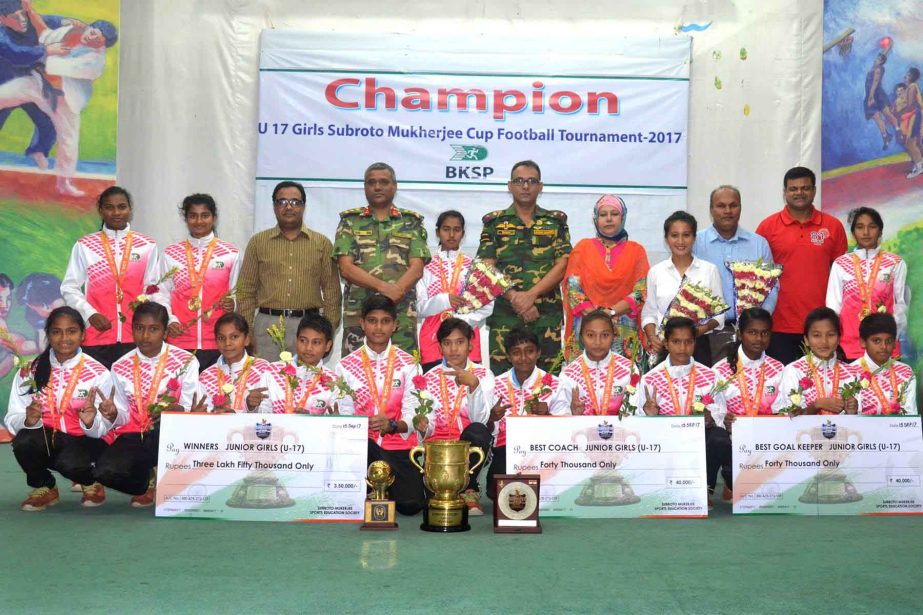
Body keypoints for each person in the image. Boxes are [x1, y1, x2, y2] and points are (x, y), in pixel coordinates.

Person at [5, 306, 116, 511]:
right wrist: (27, 420)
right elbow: (13, 416)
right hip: (48, 437)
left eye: (71, 331)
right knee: (24, 442)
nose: (64, 338)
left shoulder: (98, 372)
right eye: (57, 332)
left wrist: (92, 421)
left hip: (85, 441)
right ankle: (45, 486)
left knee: (71, 463)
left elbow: (109, 426)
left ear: (82, 335)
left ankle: (91, 481)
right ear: (48, 335)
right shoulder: (32, 370)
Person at [93, 302, 201, 508]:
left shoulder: (186, 361)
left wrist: (178, 410)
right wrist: (113, 413)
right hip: (135, 433)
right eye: (139, 328)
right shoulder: (120, 365)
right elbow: (123, 414)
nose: (145, 336)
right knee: (103, 472)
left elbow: (190, 404)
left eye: (153, 329)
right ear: (131, 329)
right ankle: (146, 482)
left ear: (165, 332)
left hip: (170, 432)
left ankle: (168, 471)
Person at [478, 160, 571, 375]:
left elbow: (563, 264)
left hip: (545, 316)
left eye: (532, 181)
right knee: (503, 385)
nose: (526, 186)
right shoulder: (494, 223)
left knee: (548, 384)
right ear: (510, 186)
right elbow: (486, 266)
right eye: (519, 181)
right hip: (505, 315)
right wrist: (516, 299)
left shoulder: (555, 222)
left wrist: (531, 295)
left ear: (541, 186)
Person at [334, 295, 423, 515]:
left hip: (398, 446)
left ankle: (383, 490)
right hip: (363, 447)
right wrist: (361, 427)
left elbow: (414, 413)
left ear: (394, 325)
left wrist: (393, 425)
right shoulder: (345, 366)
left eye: (385, 321)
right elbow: (344, 415)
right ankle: (377, 489)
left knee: (411, 506)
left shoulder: (409, 364)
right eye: (372, 320)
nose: (379, 327)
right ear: (362, 323)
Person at [21, 1, 118, 196]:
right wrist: (30, 10)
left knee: (69, 139)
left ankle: (64, 183)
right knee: (6, 94)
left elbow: (53, 64)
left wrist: (47, 52)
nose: (91, 36)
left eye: (97, 38)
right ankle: (39, 152)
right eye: (92, 30)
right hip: (39, 85)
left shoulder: (94, 62)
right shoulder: (71, 32)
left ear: (102, 46)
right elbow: (45, 34)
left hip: (65, 99)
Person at [61, 186, 164, 368]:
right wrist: (90, 314)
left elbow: (154, 288)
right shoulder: (85, 246)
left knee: (134, 393)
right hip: (96, 336)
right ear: (101, 210)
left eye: (122, 207)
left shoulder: (146, 245)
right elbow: (69, 288)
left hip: (137, 337)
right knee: (99, 393)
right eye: (109, 207)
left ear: (130, 209)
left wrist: (144, 317)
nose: (116, 212)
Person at [237, 180, 341, 359]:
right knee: (266, 383)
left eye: (295, 202)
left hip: (309, 328)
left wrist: (326, 333)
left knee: (306, 384)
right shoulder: (258, 243)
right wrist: (247, 333)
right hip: (266, 327)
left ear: (303, 206)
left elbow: (332, 292)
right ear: (274, 206)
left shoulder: (322, 244)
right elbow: (245, 291)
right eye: (282, 202)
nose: (289, 207)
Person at [334, 162, 430, 355]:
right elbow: (345, 268)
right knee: (357, 375)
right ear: (365, 187)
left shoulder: (411, 222)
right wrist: (385, 288)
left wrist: (397, 292)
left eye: (383, 182)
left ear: (394, 186)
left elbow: (417, 268)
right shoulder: (350, 221)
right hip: (359, 317)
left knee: (404, 374)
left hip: (400, 315)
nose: (377, 187)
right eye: (372, 182)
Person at [634, 316, 731, 506]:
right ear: (666, 344)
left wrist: (711, 417)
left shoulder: (709, 375)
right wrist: (649, 415)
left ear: (694, 343)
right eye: (676, 342)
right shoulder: (651, 378)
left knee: (719, 438)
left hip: (699, 438)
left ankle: (705, 489)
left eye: (688, 342)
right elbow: (638, 419)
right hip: (666, 440)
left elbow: (721, 410)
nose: (682, 348)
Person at [756, 167, 847, 364]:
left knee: (821, 386)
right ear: (785, 192)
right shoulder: (767, 227)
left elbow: (843, 276)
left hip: (820, 328)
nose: (799, 193)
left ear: (814, 191)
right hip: (779, 325)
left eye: (805, 188)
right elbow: (759, 279)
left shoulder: (833, 227)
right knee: (782, 388)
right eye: (793, 189)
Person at [412, 318, 495, 516]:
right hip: (438, 450)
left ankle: (469, 490)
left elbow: (481, 419)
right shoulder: (429, 377)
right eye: (447, 343)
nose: (454, 349)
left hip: (468, 448)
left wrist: (473, 385)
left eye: (460, 342)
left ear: (470, 345)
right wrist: (424, 426)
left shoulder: (484, 374)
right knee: (418, 503)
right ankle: (441, 487)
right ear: (440, 347)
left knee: (478, 430)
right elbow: (428, 421)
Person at [693, 185, 778, 364]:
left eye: (733, 205)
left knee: (751, 385)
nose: (728, 211)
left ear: (740, 207)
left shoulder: (758, 244)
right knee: (713, 385)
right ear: (711, 209)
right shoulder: (695, 243)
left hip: (751, 333)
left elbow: (772, 286)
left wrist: (759, 320)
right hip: (708, 332)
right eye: (721, 206)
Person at [562, 194, 649, 364]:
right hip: (587, 328)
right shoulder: (583, 247)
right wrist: (597, 317)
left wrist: (611, 313)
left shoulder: (636, 251)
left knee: (622, 384)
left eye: (614, 214)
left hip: (623, 330)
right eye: (603, 215)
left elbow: (641, 292)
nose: (608, 219)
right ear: (596, 219)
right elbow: (573, 288)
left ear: (622, 217)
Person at [159, 194, 240, 371]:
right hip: (179, 339)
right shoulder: (171, 254)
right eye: (193, 215)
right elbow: (160, 294)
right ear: (186, 218)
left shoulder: (230, 254)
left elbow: (238, 293)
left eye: (205, 215)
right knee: (179, 395)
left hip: (218, 342)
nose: (199, 221)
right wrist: (170, 320)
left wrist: (233, 304)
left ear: (214, 218)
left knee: (217, 395)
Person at [485, 327, 563, 498]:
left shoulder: (554, 384)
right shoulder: (495, 385)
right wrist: (491, 418)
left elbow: (564, 428)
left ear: (538, 353)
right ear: (508, 356)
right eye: (516, 353)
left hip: (541, 449)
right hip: (507, 449)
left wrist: (548, 415)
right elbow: (489, 431)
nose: (523, 358)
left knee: (544, 491)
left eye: (529, 352)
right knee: (495, 492)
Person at [642, 211, 724, 366]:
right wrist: (652, 336)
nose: (680, 241)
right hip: (665, 346)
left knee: (700, 389)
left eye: (686, 235)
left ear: (694, 238)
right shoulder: (656, 272)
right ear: (666, 239)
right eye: (674, 235)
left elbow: (719, 316)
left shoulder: (709, 270)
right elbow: (649, 312)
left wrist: (698, 331)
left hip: (698, 345)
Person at [826, 207, 907, 361]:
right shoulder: (841, 263)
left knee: (886, 385)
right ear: (853, 232)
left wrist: (892, 335)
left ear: (880, 231)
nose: (866, 232)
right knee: (853, 385)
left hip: (885, 344)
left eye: (872, 226)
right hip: (849, 343)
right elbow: (833, 305)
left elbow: (900, 304)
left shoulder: (895, 263)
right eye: (860, 227)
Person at [415, 210, 492, 372]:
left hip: (466, 340)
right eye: (446, 229)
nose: (451, 234)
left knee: (468, 391)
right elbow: (418, 307)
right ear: (437, 232)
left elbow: (487, 306)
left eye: (457, 230)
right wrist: (445, 301)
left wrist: (463, 320)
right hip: (432, 341)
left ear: (463, 233)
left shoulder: (475, 266)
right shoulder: (425, 267)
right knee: (435, 392)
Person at [772, 308, 861, 416]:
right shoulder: (794, 370)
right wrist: (816, 405)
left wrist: (852, 412)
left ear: (838, 339)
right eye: (816, 335)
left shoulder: (851, 373)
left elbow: (857, 423)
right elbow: (790, 416)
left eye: (831, 335)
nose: (824, 341)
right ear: (806, 340)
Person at [551, 310, 635, 416]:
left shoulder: (629, 370)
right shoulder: (568, 375)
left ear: (613, 336)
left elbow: (635, 414)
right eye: (590, 335)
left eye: (605, 335)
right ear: (581, 337)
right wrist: (573, 415)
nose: (598, 342)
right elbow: (561, 419)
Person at [714, 308, 785, 426]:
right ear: (739, 335)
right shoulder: (720, 370)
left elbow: (783, 408)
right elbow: (716, 411)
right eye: (752, 332)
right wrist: (723, 421)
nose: (759, 338)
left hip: (769, 436)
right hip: (733, 436)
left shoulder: (778, 368)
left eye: (765, 333)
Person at [261, 314, 338, 415]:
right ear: (296, 340)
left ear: (327, 346)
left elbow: (333, 423)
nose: (308, 348)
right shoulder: (273, 371)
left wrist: (310, 421)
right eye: (303, 341)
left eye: (316, 342)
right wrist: (251, 407)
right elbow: (261, 415)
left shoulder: (333, 382)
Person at [198, 313, 272, 413]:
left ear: (246, 340)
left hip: (252, 428)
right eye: (221, 338)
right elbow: (204, 412)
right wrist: (205, 413)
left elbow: (271, 412)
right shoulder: (206, 376)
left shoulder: (263, 369)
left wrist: (250, 407)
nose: (227, 343)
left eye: (234, 337)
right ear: (215, 342)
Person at [852, 313, 917, 415]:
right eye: (877, 341)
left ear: (895, 343)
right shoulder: (851, 371)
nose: (883, 346)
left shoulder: (905, 371)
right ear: (863, 342)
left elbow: (910, 414)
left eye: (889, 341)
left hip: (898, 430)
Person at [864, 50, 897, 150]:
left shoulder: (878, 69)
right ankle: (886, 136)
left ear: (881, 62)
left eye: (878, 59)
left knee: (887, 114)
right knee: (877, 118)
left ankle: (899, 130)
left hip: (876, 95)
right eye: (877, 58)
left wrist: (870, 97)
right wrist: (888, 47)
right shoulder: (876, 67)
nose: (875, 59)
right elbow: (883, 55)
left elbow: (875, 82)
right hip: (871, 95)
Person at [900, 67, 923, 179]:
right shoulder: (912, 86)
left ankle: (919, 167)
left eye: (908, 75)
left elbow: (910, 105)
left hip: (916, 114)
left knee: (910, 142)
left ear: (912, 77)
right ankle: (920, 163)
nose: (905, 76)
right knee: (916, 142)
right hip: (917, 114)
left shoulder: (912, 86)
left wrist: (900, 113)